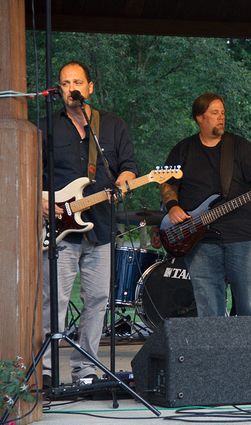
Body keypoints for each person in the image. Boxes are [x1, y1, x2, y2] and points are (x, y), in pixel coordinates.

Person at [41, 61, 138, 384]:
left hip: (101, 227)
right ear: (59, 90)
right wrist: (42, 201)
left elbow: (128, 165)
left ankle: (85, 371)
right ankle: (46, 371)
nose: (73, 88)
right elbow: (30, 172)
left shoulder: (111, 125)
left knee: (97, 300)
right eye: (66, 83)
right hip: (59, 231)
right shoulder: (47, 127)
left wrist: (125, 180)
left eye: (77, 82)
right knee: (54, 300)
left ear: (90, 87)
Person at [160, 92, 251, 317]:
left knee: (250, 305)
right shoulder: (183, 150)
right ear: (200, 118)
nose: (221, 118)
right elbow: (167, 183)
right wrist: (172, 206)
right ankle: (215, 352)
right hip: (200, 240)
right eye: (214, 113)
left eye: (223, 113)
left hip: (243, 236)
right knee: (209, 307)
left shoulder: (239, 146)